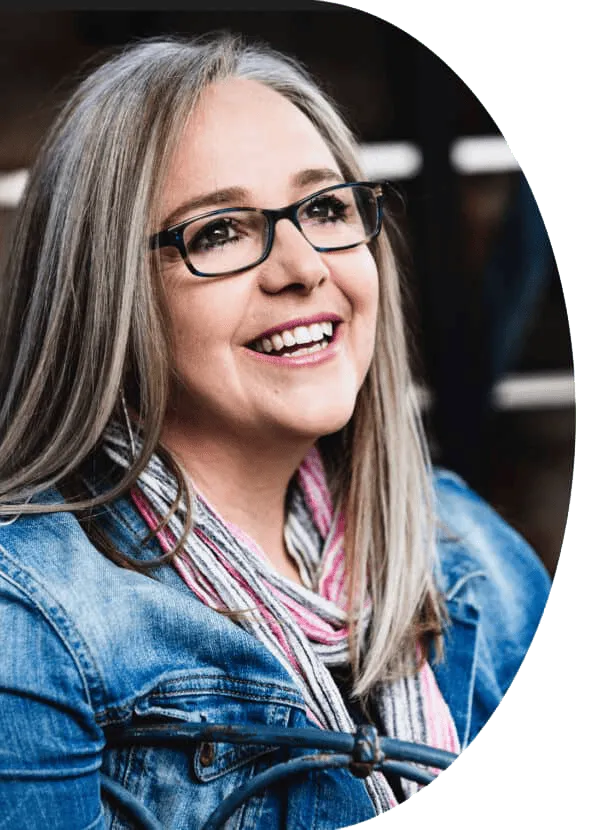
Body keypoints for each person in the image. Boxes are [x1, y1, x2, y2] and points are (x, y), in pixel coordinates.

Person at [0, 34, 550, 829]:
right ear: (108, 290)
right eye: (219, 230)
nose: (301, 265)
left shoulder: (477, 556)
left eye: (326, 208)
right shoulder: (30, 620)